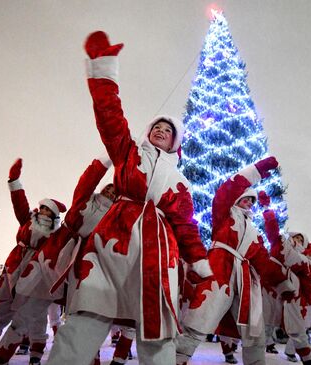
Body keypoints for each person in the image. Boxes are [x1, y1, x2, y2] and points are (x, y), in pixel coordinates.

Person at [46, 30, 212, 365]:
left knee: (157, 323)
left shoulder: (179, 182)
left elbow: (186, 224)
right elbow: (109, 116)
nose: (161, 130)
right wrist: (103, 73)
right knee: (90, 310)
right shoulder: (127, 152)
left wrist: (198, 261)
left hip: (158, 251)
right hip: (111, 243)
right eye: (157, 127)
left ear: (175, 143)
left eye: (168, 130)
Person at [0, 157, 112, 365]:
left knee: (82, 320)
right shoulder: (84, 201)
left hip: (82, 267)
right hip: (52, 261)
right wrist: (106, 160)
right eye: (108, 188)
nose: (110, 193)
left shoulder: (115, 217)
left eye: (114, 193)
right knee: (26, 314)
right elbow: (88, 180)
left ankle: (90, 359)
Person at [175, 158, 297, 365]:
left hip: (246, 280)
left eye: (252, 201)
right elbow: (225, 191)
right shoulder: (224, 213)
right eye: (245, 199)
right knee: (199, 318)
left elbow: (263, 261)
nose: (249, 203)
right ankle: (178, 359)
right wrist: (255, 171)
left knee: (254, 329)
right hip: (220, 270)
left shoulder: (254, 232)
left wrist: (282, 284)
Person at [0, 159, 67, 365]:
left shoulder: (58, 233)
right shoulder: (27, 221)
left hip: (39, 275)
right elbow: (19, 202)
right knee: (1, 311)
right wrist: (14, 181)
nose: (42, 211)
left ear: (54, 214)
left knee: (33, 318)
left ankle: (35, 352)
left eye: (47, 209)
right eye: (42, 207)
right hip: (14, 270)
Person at [261, 191, 311, 364]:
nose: (296, 240)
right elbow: (272, 230)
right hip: (269, 289)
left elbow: (308, 283)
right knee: (261, 323)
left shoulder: (305, 262)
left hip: (292, 293)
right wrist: (267, 210)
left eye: (300, 239)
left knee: (296, 327)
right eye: (295, 237)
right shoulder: (281, 245)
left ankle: (307, 356)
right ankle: (253, 352)